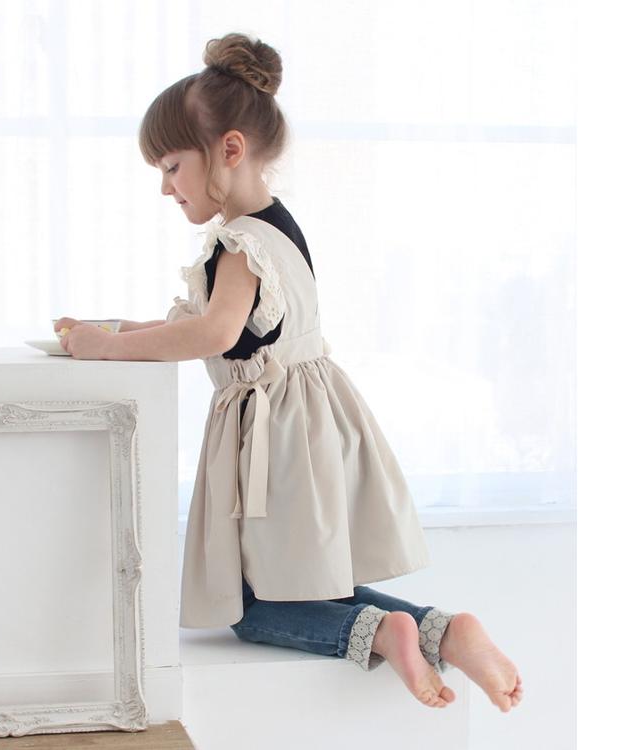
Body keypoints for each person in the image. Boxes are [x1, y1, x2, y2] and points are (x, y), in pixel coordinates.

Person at [55, 32, 523, 713]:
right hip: (306, 419)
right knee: (304, 579)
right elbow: (219, 324)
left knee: (252, 607)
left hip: (276, 433)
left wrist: (106, 351)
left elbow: (215, 333)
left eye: (172, 166)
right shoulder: (275, 227)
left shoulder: (237, 242)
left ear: (229, 150)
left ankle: (384, 633)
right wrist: (113, 330)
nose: (164, 187)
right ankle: (442, 631)